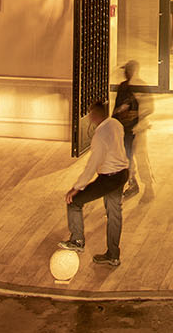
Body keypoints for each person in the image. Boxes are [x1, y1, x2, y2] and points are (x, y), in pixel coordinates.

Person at [60, 100, 129, 267]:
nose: (89, 116)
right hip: (121, 174)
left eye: (91, 113)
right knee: (114, 215)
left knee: (74, 202)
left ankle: (77, 240)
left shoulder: (100, 136)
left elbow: (92, 165)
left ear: (96, 115)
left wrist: (76, 188)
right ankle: (113, 255)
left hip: (108, 178)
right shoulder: (115, 124)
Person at [113, 61, 147, 199]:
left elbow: (147, 108)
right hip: (124, 129)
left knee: (134, 158)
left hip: (134, 131)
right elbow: (116, 109)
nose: (124, 73)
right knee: (125, 158)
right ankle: (132, 183)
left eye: (126, 70)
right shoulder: (123, 87)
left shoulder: (140, 88)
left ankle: (137, 184)